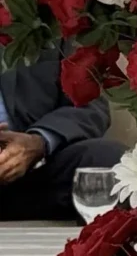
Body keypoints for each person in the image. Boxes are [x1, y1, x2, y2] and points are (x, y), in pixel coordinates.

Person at [0, 44, 123, 222]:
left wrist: (38, 142)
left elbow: (91, 107)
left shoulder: (55, 33)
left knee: (109, 158)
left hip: (33, 174)